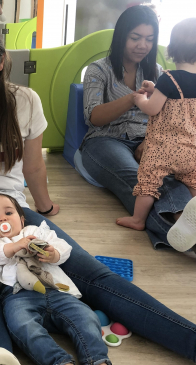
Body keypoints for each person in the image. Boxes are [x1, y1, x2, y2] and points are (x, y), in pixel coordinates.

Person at [0, 20, 196, 365]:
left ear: (2, 61)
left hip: (12, 209)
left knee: (92, 274)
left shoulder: (24, 101)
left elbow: (33, 167)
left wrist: (43, 209)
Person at [80, 5, 195, 251]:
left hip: (151, 140)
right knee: (141, 183)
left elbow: (172, 118)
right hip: (106, 140)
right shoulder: (98, 70)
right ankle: (181, 231)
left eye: (149, 39)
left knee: (172, 179)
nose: (142, 45)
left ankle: (185, 226)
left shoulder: (159, 73)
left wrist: (152, 142)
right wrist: (132, 97)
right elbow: (94, 117)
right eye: (135, 37)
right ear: (122, 35)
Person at [0, 186, 110, 365]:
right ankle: (58, 361)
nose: (2, 218)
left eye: (9, 212)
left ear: (22, 220)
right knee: (21, 326)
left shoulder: (35, 232)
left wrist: (53, 254)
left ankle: (96, 358)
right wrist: (13, 247)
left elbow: (63, 245)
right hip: (18, 295)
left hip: (56, 289)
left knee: (86, 317)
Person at [116, 18, 196, 246]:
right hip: (191, 149)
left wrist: (141, 97)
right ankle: (192, 213)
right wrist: (156, 89)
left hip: (163, 148)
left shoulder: (169, 78)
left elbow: (152, 108)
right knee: (192, 182)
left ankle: (138, 219)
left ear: (172, 50)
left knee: (149, 182)